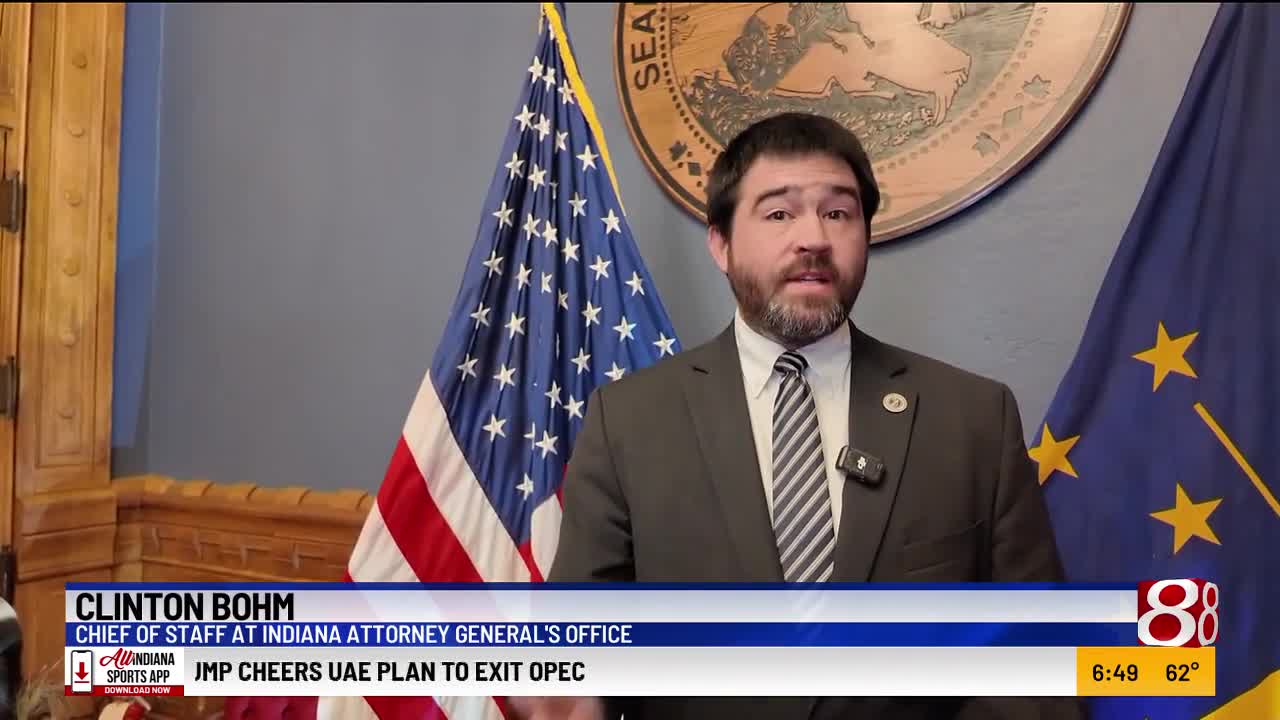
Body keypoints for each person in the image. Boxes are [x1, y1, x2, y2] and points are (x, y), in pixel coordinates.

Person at [512, 112, 1084, 719]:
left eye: (837, 213)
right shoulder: (628, 421)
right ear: (721, 244)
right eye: (779, 214)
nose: (813, 237)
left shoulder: (974, 418)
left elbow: (1036, 663)